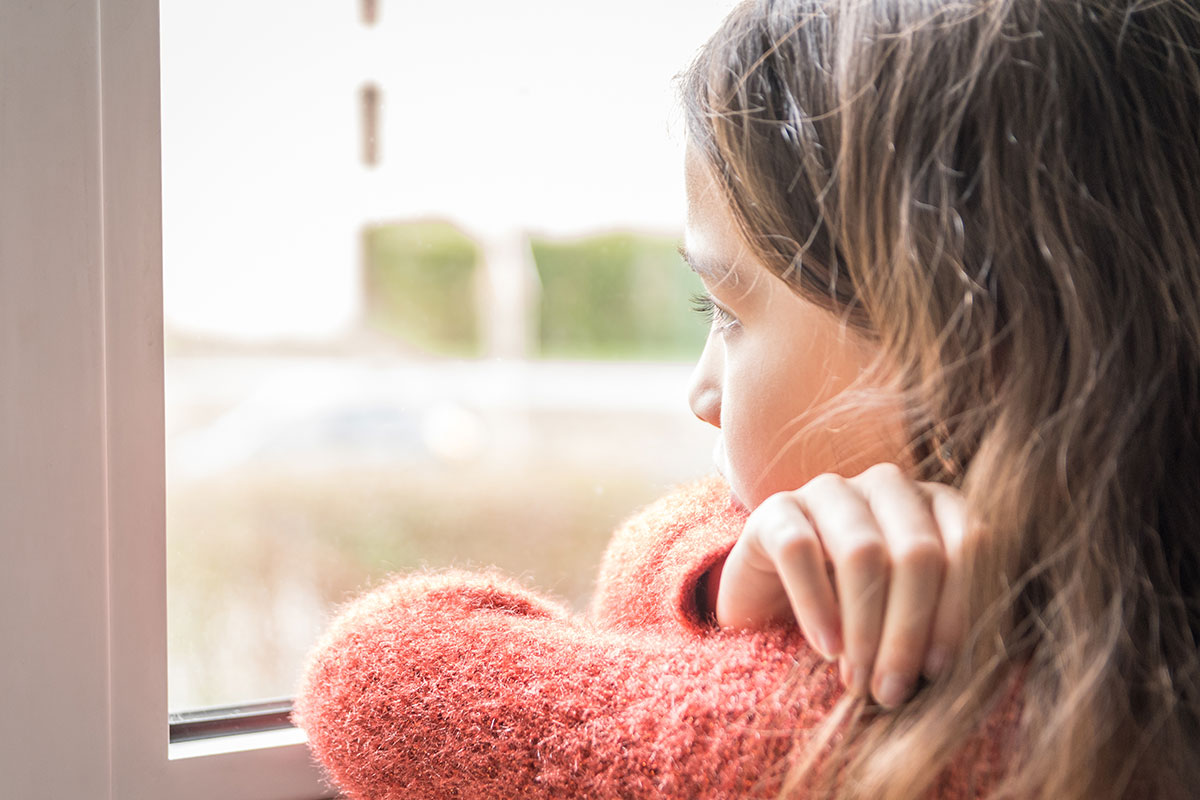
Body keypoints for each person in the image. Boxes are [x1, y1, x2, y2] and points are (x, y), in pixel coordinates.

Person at [294, 1, 1200, 798]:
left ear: (961, 346)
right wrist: (730, 573)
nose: (702, 391)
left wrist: (729, 579)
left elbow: (375, 678)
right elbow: (657, 543)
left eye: (723, 309)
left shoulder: (894, 722)